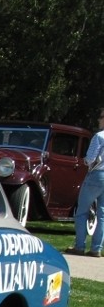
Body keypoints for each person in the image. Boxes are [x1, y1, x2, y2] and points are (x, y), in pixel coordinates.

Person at [69, 109, 104, 257]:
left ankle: (79, 246)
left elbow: (90, 159)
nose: (99, 119)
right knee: (102, 214)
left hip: (96, 175)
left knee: (82, 211)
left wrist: (85, 160)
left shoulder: (99, 136)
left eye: (101, 116)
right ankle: (96, 248)